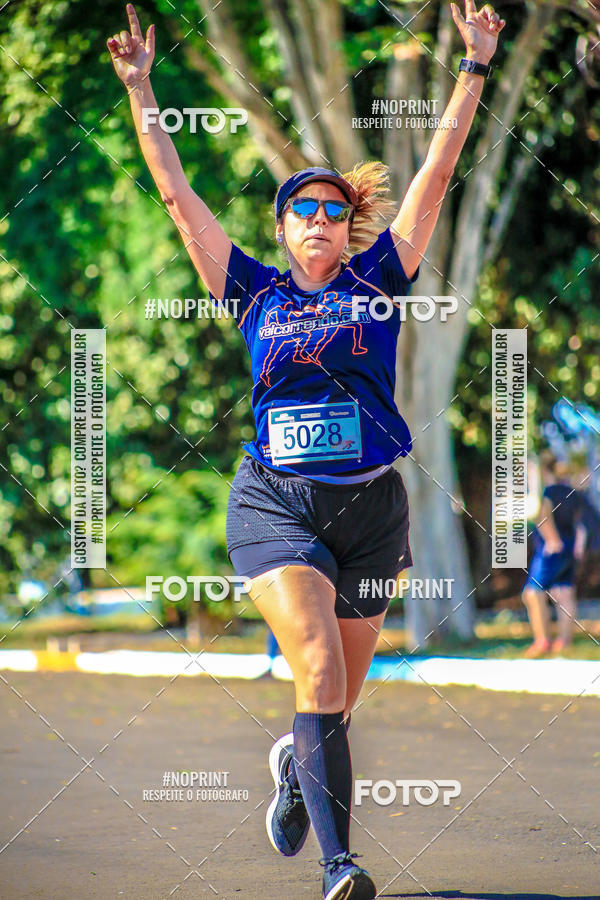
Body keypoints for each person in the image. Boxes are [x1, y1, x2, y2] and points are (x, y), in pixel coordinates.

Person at [108, 3, 505, 897]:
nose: (321, 220)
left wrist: (473, 68)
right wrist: (142, 91)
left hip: (374, 510)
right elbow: (177, 197)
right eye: (303, 211)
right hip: (277, 503)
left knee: (333, 703)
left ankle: (296, 763)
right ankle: (341, 867)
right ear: (284, 231)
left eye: (333, 209)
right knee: (318, 668)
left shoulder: (382, 276)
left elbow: (435, 178)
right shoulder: (249, 291)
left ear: (346, 224)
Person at [521, 451, 586, 657]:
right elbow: (581, 525)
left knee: (532, 593)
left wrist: (552, 540)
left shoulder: (547, 492)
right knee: (565, 592)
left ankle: (542, 641)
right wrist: (578, 546)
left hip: (551, 549)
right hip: (570, 548)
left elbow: (543, 516)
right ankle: (564, 641)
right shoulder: (572, 492)